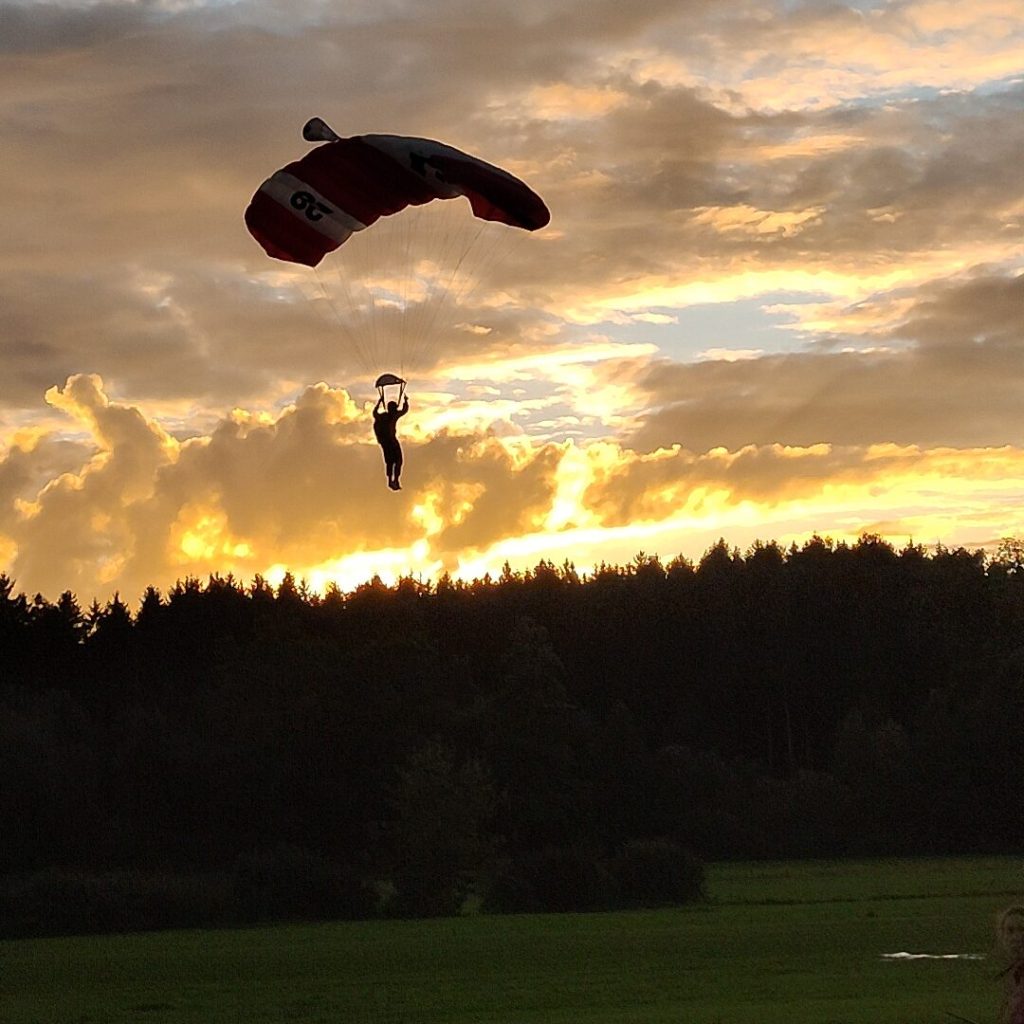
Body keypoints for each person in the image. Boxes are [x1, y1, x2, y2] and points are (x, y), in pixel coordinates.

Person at [373, 393, 409, 490]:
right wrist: (405, 401)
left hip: (386, 443)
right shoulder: (391, 416)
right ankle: (394, 480)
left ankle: (392, 481)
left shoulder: (383, 416)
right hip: (391, 441)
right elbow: (404, 410)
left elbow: (375, 413)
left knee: (391, 462)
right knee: (397, 461)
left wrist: (379, 403)